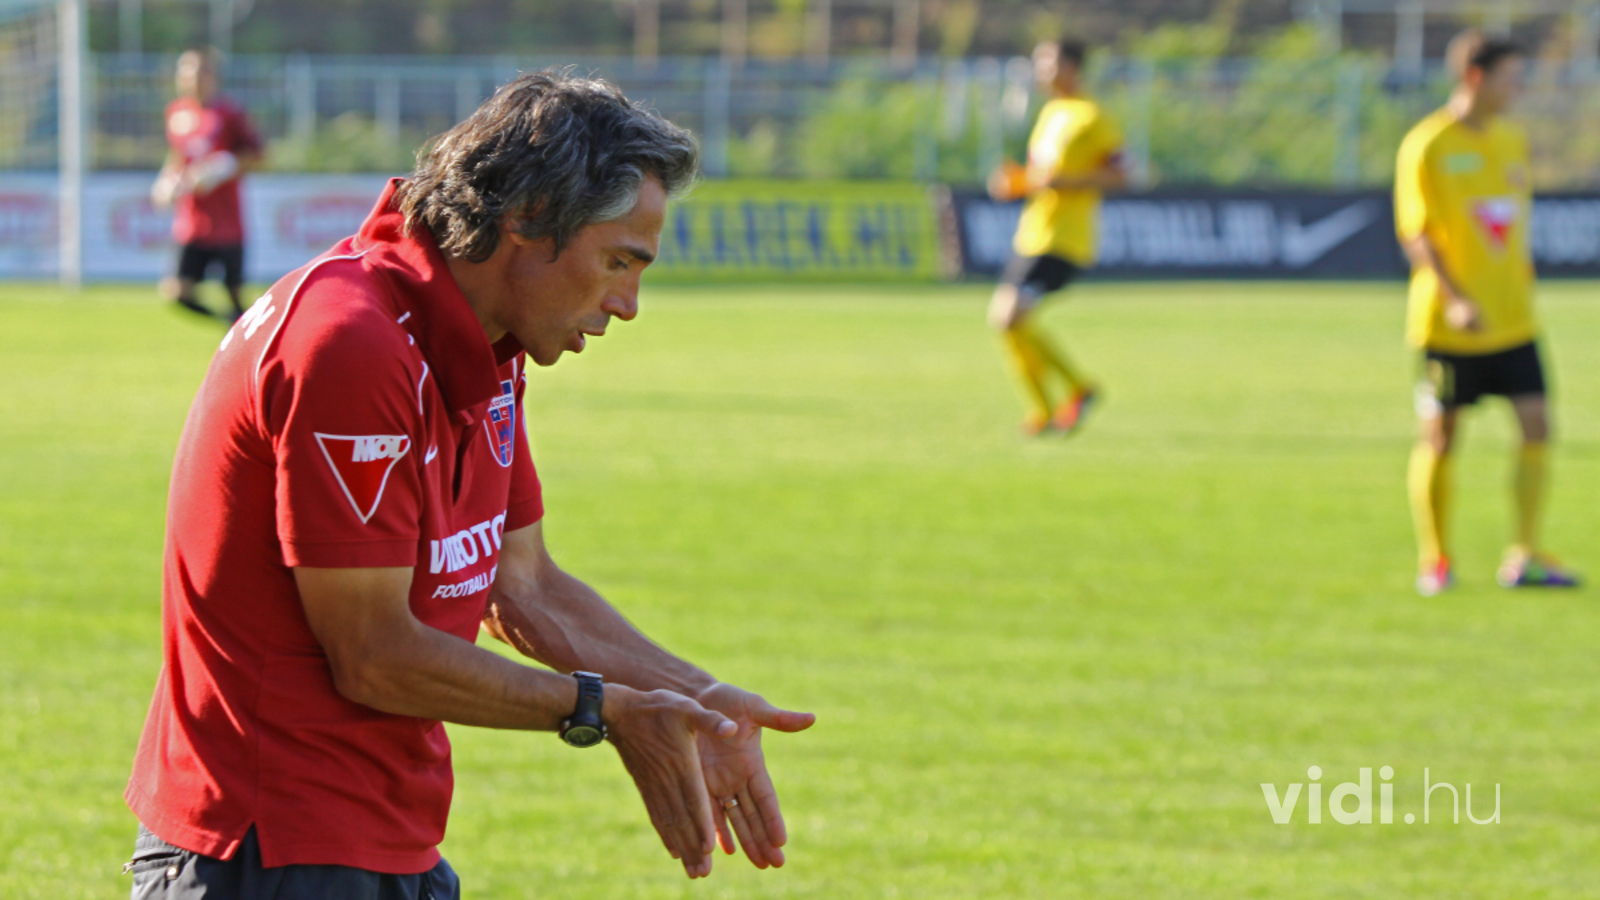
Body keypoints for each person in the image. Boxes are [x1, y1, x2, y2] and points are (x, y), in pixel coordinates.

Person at [124, 71, 815, 899]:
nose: (628, 304)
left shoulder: (485, 345)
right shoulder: (350, 343)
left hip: (388, 842)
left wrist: (699, 702)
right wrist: (602, 710)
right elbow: (373, 654)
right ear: (528, 218)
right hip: (263, 848)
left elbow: (523, 587)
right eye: (617, 262)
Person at [1395, 32, 1578, 596]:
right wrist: (1455, 297)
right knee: (1442, 436)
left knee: (1537, 425)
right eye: (1510, 78)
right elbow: (1418, 234)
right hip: (1449, 326)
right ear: (1476, 76)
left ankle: (1523, 554)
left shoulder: (1510, 140)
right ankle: (1436, 559)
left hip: (1513, 321)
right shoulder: (1428, 143)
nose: (1518, 89)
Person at [986, 38, 1127, 436]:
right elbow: (1041, 177)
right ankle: (1053, 406)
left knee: (1008, 316)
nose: (1040, 71)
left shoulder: (1092, 117)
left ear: (1072, 67)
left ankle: (1067, 396)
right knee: (1007, 321)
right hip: (1033, 233)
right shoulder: (1051, 114)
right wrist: (1017, 182)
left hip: (1065, 238)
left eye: (1047, 63)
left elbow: (1122, 175)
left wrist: (1067, 182)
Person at [150, 47, 263, 322]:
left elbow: (259, 156)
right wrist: (166, 180)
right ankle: (228, 324)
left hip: (227, 224)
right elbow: (178, 156)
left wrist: (225, 166)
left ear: (213, 77)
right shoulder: (176, 113)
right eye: (186, 74)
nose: (193, 81)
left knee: (234, 295)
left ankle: (246, 330)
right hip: (191, 224)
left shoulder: (229, 113)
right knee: (177, 293)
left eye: (200, 74)